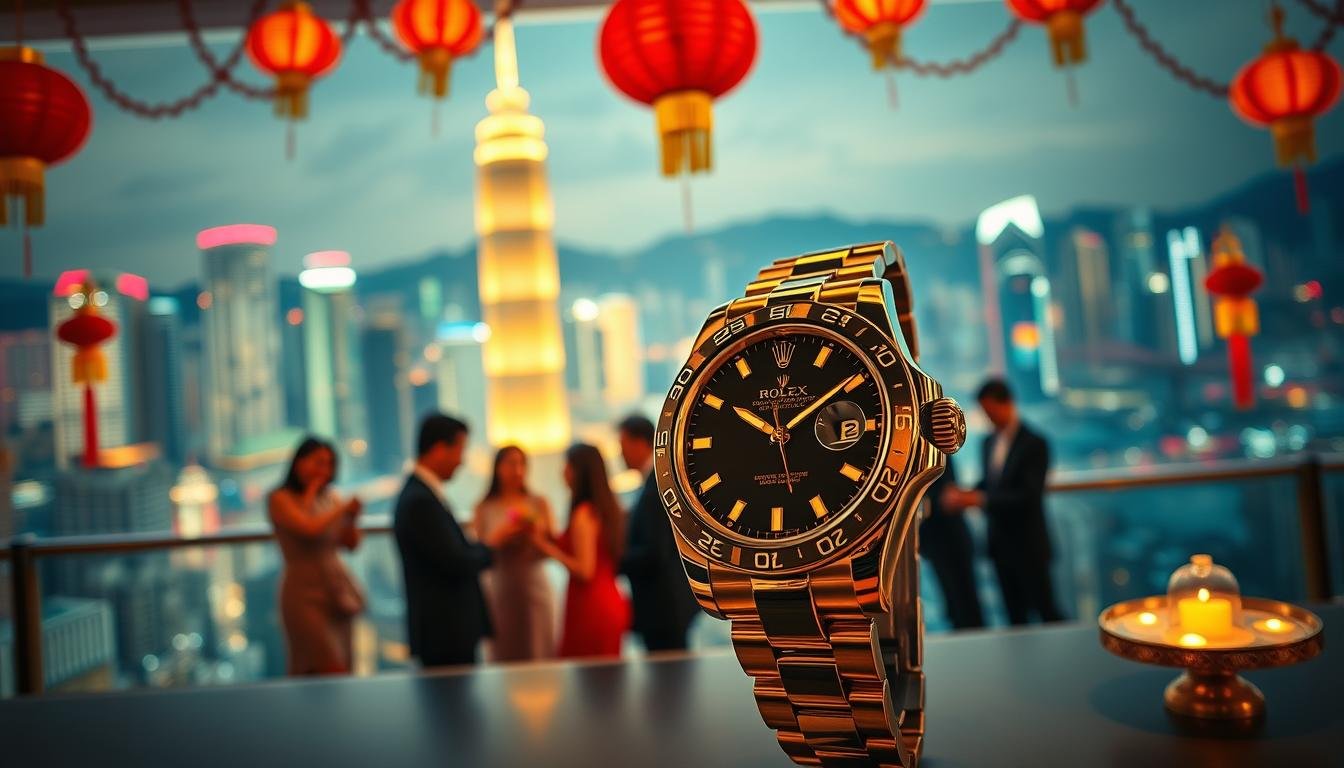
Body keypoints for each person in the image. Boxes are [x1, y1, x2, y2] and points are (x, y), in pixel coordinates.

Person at [394, 413, 527, 667]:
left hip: (445, 629)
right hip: (444, 630)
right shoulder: (420, 500)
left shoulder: (421, 494)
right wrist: (492, 543)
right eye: (460, 450)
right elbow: (456, 561)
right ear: (439, 450)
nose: (462, 461)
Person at [946, 378, 1062, 625]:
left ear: (1007, 403)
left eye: (990, 411)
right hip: (999, 543)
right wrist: (967, 493)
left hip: (1029, 544)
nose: (989, 418)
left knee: (1046, 610)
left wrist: (981, 499)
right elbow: (991, 482)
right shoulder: (987, 442)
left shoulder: (1035, 443)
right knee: (1013, 615)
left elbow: (1029, 495)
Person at [268, 437, 365, 676]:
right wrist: (341, 508)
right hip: (303, 592)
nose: (324, 470)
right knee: (322, 664)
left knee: (344, 665)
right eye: (318, 462)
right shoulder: (280, 498)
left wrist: (351, 518)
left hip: (335, 586)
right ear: (298, 462)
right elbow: (309, 528)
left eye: (329, 464)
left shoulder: (329, 497)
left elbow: (350, 544)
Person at [532, 443, 630, 659]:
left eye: (566, 466)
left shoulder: (583, 514)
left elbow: (585, 571)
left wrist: (545, 548)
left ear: (578, 471)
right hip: (609, 599)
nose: (562, 472)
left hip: (591, 606)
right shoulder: (606, 509)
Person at [616, 414, 699, 652]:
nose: (621, 454)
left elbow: (655, 552)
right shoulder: (653, 482)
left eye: (623, 446)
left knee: (669, 680)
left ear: (640, 443)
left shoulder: (655, 488)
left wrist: (615, 562)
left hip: (663, 606)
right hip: (667, 604)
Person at [472, 445, 557, 662]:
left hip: (534, 584)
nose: (517, 470)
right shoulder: (484, 507)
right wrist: (501, 539)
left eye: (521, 464)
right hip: (501, 586)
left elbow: (553, 548)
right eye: (511, 463)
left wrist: (534, 537)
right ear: (498, 468)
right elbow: (479, 551)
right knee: (505, 651)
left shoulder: (539, 503)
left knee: (538, 648)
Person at [922, 461, 984, 630]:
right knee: (954, 607)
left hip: (950, 540)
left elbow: (945, 499)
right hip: (937, 541)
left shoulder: (936, 452)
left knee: (966, 607)